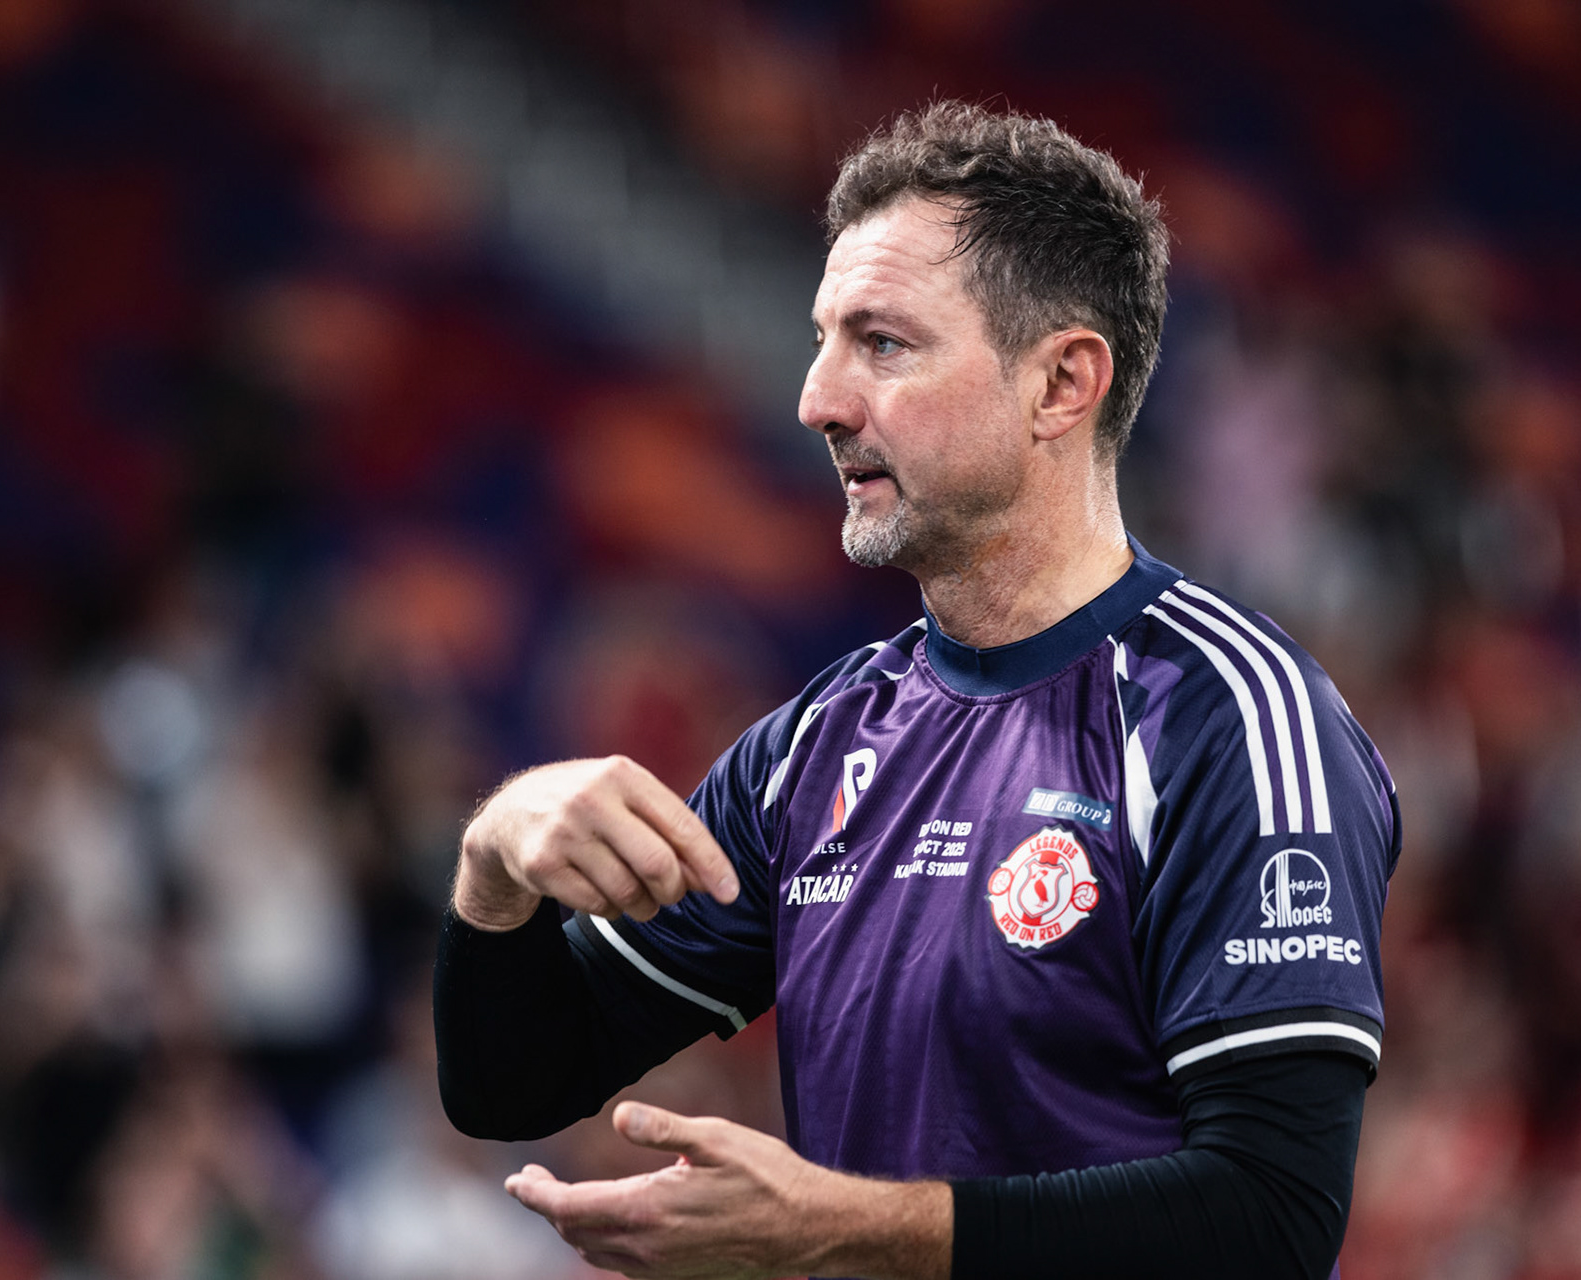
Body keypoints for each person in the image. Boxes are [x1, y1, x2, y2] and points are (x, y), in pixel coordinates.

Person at [435, 101, 1400, 1280]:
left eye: (882, 344)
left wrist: (841, 1226)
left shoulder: (1230, 717)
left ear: (1061, 384)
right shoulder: (814, 746)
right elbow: (515, 1079)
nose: (819, 399)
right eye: (824, 337)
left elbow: (1270, 1217)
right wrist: (495, 865)